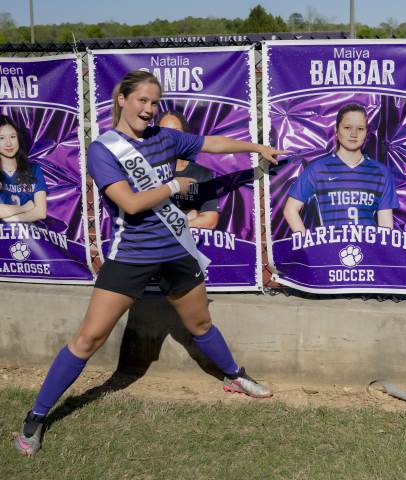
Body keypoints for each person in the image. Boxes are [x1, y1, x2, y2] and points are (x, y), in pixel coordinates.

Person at [15, 70, 285, 456]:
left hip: (175, 252)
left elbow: (211, 142)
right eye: (142, 100)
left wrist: (257, 148)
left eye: (155, 103)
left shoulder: (165, 137)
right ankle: (37, 416)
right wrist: (175, 186)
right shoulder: (104, 150)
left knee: (200, 323)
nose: (149, 109)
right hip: (131, 256)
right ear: (122, 99)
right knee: (88, 339)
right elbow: (130, 203)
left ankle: (234, 376)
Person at [283, 103, 399, 234]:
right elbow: (290, 209)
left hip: (368, 246)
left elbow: (386, 228)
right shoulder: (318, 169)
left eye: (360, 129)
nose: (354, 134)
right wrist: (307, 242)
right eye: (347, 127)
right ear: (337, 130)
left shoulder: (381, 173)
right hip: (330, 246)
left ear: (366, 132)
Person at [158, 110, 219, 229]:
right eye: (164, 132)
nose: (171, 137)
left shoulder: (201, 174)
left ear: (186, 136)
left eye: (176, 132)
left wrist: (173, 227)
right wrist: (189, 214)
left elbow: (210, 220)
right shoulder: (148, 170)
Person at [0, 115, 47, 222]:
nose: (8, 143)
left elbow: (41, 212)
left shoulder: (34, 169)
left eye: (12, 137)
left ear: (18, 139)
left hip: (28, 232)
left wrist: (11, 219)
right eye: (1, 138)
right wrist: (24, 208)